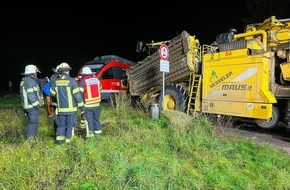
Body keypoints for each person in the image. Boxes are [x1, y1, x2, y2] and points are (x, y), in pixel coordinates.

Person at [50, 62, 85, 144]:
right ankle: (69, 142)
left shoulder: (56, 82)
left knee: (61, 125)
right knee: (70, 125)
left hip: (61, 109)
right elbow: (77, 96)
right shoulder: (72, 82)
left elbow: (52, 93)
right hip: (71, 110)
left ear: (60, 72)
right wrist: (82, 107)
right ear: (68, 71)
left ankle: (59, 141)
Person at [20, 64, 44, 139]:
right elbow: (31, 96)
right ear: (33, 73)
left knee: (30, 122)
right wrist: (37, 105)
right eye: (36, 73)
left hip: (26, 106)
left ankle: (30, 138)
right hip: (31, 107)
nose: (36, 74)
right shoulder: (31, 82)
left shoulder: (24, 80)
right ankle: (30, 140)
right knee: (33, 123)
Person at [78, 66, 102, 137]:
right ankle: (98, 134)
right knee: (96, 120)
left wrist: (81, 105)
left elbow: (80, 94)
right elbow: (100, 88)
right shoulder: (97, 80)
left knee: (89, 121)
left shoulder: (83, 81)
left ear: (83, 74)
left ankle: (91, 137)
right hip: (97, 104)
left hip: (88, 105)